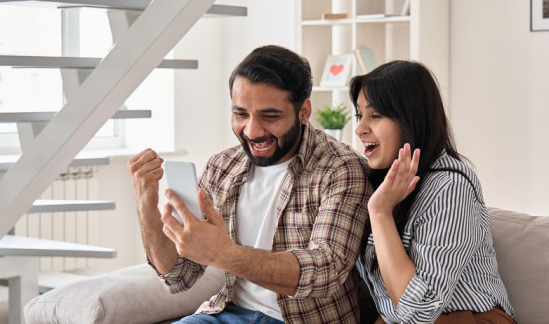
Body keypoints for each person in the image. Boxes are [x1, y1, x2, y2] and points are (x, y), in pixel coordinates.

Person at [128, 45, 373, 323]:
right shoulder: (222, 167)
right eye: (241, 114)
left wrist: (223, 254)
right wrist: (145, 206)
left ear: (304, 111)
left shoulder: (341, 169)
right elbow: (177, 277)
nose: (252, 131)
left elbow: (324, 272)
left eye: (270, 116)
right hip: (225, 314)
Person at [351, 61, 515, 324]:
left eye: (376, 115)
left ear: (411, 118)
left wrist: (380, 212)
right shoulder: (380, 184)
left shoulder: (451, 187)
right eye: (359, 115)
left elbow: (418, 313)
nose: (359, 129)